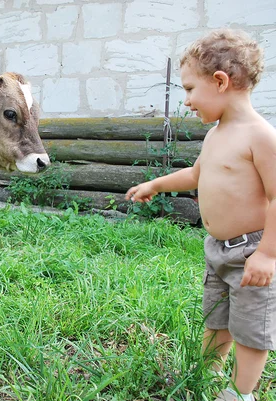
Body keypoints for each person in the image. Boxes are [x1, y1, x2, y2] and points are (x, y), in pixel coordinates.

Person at [125, 28, 275, 401]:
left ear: (221, 82)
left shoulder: (260, 136)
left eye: (190, 89)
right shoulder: (216, 135)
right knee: (217, 319)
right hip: (218, 250)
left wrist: (268, 254)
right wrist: (156, 184)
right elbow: (196, 174)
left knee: (250, 330)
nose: (188, 101)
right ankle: (207, 374)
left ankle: (240, 395)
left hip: (251, 253)